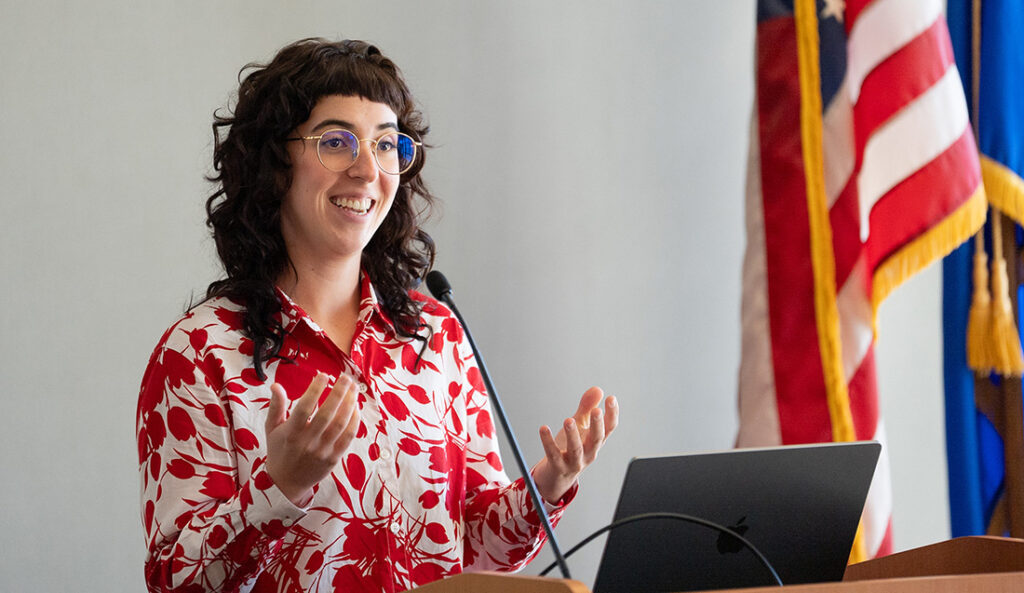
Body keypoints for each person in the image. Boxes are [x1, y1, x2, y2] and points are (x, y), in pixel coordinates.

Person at [136, 38, 618, 593]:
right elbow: (175, 580)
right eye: (337, 142)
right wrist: (279, 486)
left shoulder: (435, 334)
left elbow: (478, 549)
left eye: (386, 145)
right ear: (274, 163)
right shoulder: (197, 354)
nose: (367, 170)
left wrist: (549, 484)